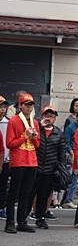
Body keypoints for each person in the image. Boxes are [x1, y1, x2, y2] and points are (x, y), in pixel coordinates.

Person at [4, 92, 34, 233]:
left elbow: (38, 144)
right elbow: (9, 143)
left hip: (31, 162)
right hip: (18, 162)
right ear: (20, 106)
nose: (29, 108)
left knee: (26, 194)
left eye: (31, 105)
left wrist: (33, 137)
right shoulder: (13, 121)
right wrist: (25, 136)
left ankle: (22, 221)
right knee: (13, 194)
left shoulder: (34, 122)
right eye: (27, 105)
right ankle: (10, 222)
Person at [33, 106, 66, 229]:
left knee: (44, 195)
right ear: (42, 116)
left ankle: (40, 218)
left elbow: (62, 153)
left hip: (50, 169)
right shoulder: (36, 129)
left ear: (55, 118)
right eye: (47, 116)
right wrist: (39, 127)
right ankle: (24, 217)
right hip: (35, 167)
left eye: (51, 116)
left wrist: (60, 170)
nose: (49, 118)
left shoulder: (59, 133)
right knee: (30, 193)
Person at [61, 110, 78, 209]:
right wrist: (71, 152)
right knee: (73, 180)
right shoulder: (71, 127)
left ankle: (67, 199)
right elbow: (66, 141)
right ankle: (68, 200)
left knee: (73, 180)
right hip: (71, 155)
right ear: (76, 117)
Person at [0, 96, 10, 219]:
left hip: (6, 159)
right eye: (0, 107)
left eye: (4, 107)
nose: (2, 110)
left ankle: (2, 207)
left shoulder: (9, 122)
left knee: (3, 185)